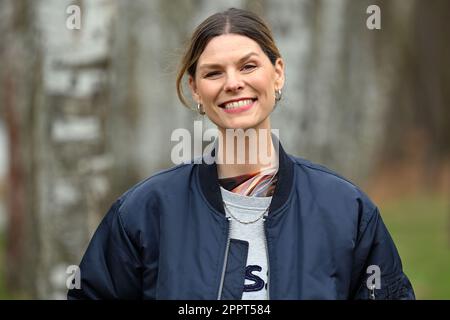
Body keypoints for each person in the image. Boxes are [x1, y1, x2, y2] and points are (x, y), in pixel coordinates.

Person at [67, 8, 415, 300]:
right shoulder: (146, 212)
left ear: (277, 74)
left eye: (248, 66)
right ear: (196, 90)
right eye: (214, 72)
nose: (232, 82)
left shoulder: (345, 209)